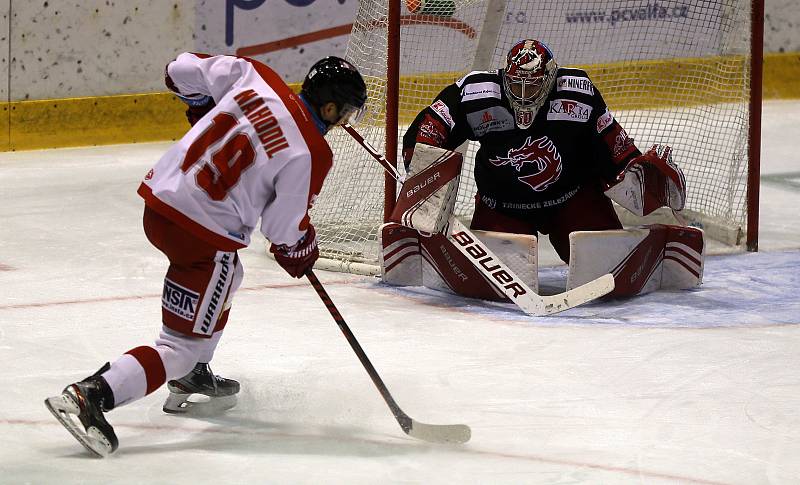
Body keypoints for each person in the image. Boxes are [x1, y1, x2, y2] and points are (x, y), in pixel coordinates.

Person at [44, 53, 368, 457]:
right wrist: (302, 249)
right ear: (330, 106)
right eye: (346, 114)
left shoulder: (256, 75)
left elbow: (178, 69)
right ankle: (92, 395)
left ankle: (195, 375)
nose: (343, 123)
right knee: (177, 348)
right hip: (202, 236)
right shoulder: (312, 153)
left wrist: (200, 105)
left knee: (229, 274)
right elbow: (283, 231)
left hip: (160, 205)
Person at [401, 39, 686, 265]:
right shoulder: (476, 93)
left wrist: (636, 170)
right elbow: (431, 127)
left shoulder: (577, 93)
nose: (524, 94)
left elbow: (613, 146)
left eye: (534, 85)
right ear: (503, 77)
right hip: (503, 205)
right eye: (516, 85)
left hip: (571, 199)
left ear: (551, 79)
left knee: (607, 264)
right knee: (496, 278)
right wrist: (424, 165)